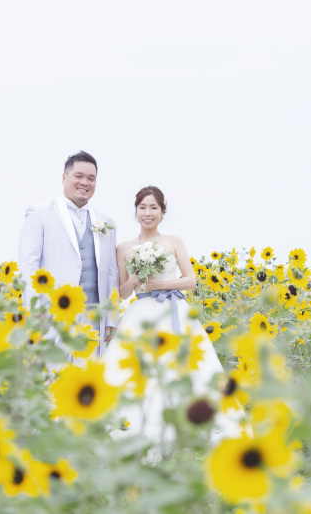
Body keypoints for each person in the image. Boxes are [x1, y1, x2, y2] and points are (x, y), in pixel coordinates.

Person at [102, 186, 242, 445]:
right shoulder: (123, 248)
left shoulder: (174, 241)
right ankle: (142, 433)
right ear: (136, 211)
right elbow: (122, 293)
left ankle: (190, 429)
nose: (148, 213)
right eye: (143, 207)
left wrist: (161, 284)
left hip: (173, 309)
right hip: (141, 313)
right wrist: (135, 278)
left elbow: (190, 280)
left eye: (153, 207)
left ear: (162, 211)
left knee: (186, 367)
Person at [18, 151, 119, 355]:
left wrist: (112, 317)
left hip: (93, 318)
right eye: (78, 176)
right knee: (52, 371)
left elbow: (111, 273)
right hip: (52, 315)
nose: (85, 183)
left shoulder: (107, 223)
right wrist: (34, 311)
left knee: (88, 374)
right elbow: (28, 266)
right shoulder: (39, 214)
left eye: (91, 178)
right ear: (64, 178)